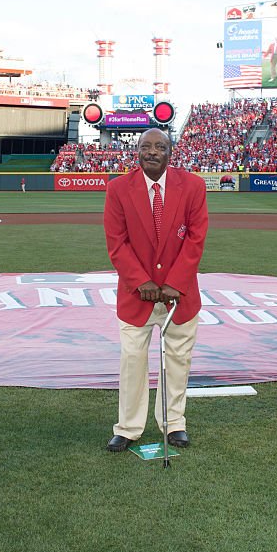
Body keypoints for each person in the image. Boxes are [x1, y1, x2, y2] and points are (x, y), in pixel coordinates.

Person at [103, 128, 209, 452]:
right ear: (137, 151)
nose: (152, 152)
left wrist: (174, 283)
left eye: (159, 147)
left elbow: (195, 238)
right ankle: (128, 427)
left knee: (178, 359)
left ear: (170, 152)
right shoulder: (118, 189)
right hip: (137, 296)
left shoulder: (192, 186)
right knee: (132, 360)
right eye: (145, 146)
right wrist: (142, 282)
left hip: (180, 296)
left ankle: (174, 423)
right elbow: (116, 243)